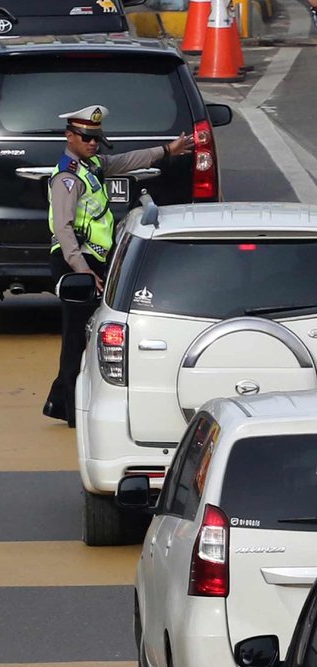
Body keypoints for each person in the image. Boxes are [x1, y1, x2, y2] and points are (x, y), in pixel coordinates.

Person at [43, 104, 194, 428]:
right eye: (85, 137)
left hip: (94, 262)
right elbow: (63, 229)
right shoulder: (68, 178)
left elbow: (127, 161)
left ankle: (59, 401)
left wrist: (167, 150)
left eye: (96, 138)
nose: (92, 143)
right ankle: (70, 410)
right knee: (76, 337)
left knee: (87, 332)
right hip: (76, 264)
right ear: (69, 136)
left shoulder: (92, 165)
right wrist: (81, 270)